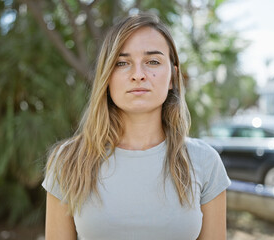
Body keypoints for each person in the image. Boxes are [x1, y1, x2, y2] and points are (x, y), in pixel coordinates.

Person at [42, 13, 231, 240]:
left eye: (153, 61)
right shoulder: (69, 160)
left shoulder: (204, 162)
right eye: (122, 63)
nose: (138, 75)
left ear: (172, 76)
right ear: (107, 77)